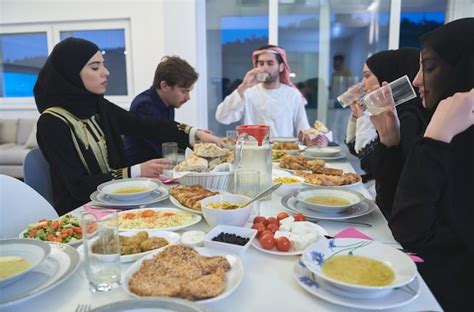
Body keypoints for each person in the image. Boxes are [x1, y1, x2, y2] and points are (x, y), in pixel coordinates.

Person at [34, 37, 224, 215]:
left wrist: (195, 133)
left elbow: (143, 125)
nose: (106, 72)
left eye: (103, 65)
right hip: (81, 213)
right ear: (71, 73)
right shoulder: (52, 122)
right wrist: (136, 171)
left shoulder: (98, 106)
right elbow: (78, 186)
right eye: (95, 67)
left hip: (119, 201)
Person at [369, 18, 474, 312]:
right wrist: (389, 141)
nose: (416, 81)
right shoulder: (443, 125)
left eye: (428, 68)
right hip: (421, 281)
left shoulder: (439, 128)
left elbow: (410, 231)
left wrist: (435, 140)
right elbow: (392, 208)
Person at [345, 48, 426, 217]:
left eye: (367, 76)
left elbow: (368, 161)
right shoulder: (396, 111)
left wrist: (363, 118)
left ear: (388, 76)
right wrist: (356, 115)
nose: (362, 84)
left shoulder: (408, 117)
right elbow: (353, 148)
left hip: (395, 214)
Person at [123, 56, 210, 164]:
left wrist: (199, 138)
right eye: (184, 91)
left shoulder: (168, 103)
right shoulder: (144, 105)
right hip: (142, 175)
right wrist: (197, 140)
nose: (188, 98)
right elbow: (166, 145)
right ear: (164, 86)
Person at [215, 44, 310, 137]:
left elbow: (303, 129)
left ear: (281, 67)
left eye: (270, 63)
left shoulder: (293, 95)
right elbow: (222, 117)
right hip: (253, 150)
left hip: (284, 150)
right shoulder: (248, 93)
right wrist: (243, 86)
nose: (264, 68)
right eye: (261, 63)